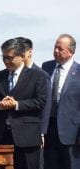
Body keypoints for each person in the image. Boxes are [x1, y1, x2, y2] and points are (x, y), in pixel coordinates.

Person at [0, 38, 47, 169]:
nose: (6, 61)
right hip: (2, 136)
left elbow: (40, 102)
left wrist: (17, 104)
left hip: (27, 138)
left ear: (22, 56)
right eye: (3, 57)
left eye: (10, 57)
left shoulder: (37, 76)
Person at [42, 34, 80, 169]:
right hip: (49, 130)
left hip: (71, 134)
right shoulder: (46, 67)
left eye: (60, 48)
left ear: (71, 52)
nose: (56, 51)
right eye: (55, 47)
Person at [16, 37, 52, 169]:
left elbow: (45, 105)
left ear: (29, 52)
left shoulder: (41, 74)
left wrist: (41, 132)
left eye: (20, 52)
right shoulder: (13, 73)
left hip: (33, 131)